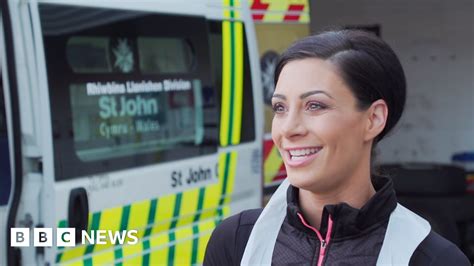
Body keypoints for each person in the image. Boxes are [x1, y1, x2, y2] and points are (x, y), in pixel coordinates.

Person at [203, 30, 470, 265]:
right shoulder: (236, 241)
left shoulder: (432, 258)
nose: (288, 128)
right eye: (280, 108)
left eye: (315, 105)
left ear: (373, 119)